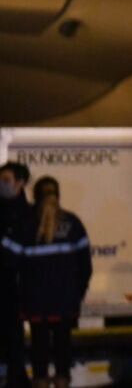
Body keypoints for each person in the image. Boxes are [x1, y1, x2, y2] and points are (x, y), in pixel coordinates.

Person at [4, 177, 90, 388]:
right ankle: (62, 381)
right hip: (65, 302)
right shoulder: (73, 224)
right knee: (63, 348)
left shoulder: (25, 226)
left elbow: (9, 262)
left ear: (35, 196)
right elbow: (85, 267)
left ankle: (40, 381)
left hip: (35, 303)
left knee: (39, 350)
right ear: (58, 195)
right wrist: (77, 294)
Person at [0, 163, 32, 388]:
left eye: (6, 180)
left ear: (20, 183)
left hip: (14, 291)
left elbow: (21, 253)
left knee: (14, 345)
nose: (1, 185)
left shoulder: (27, 215)